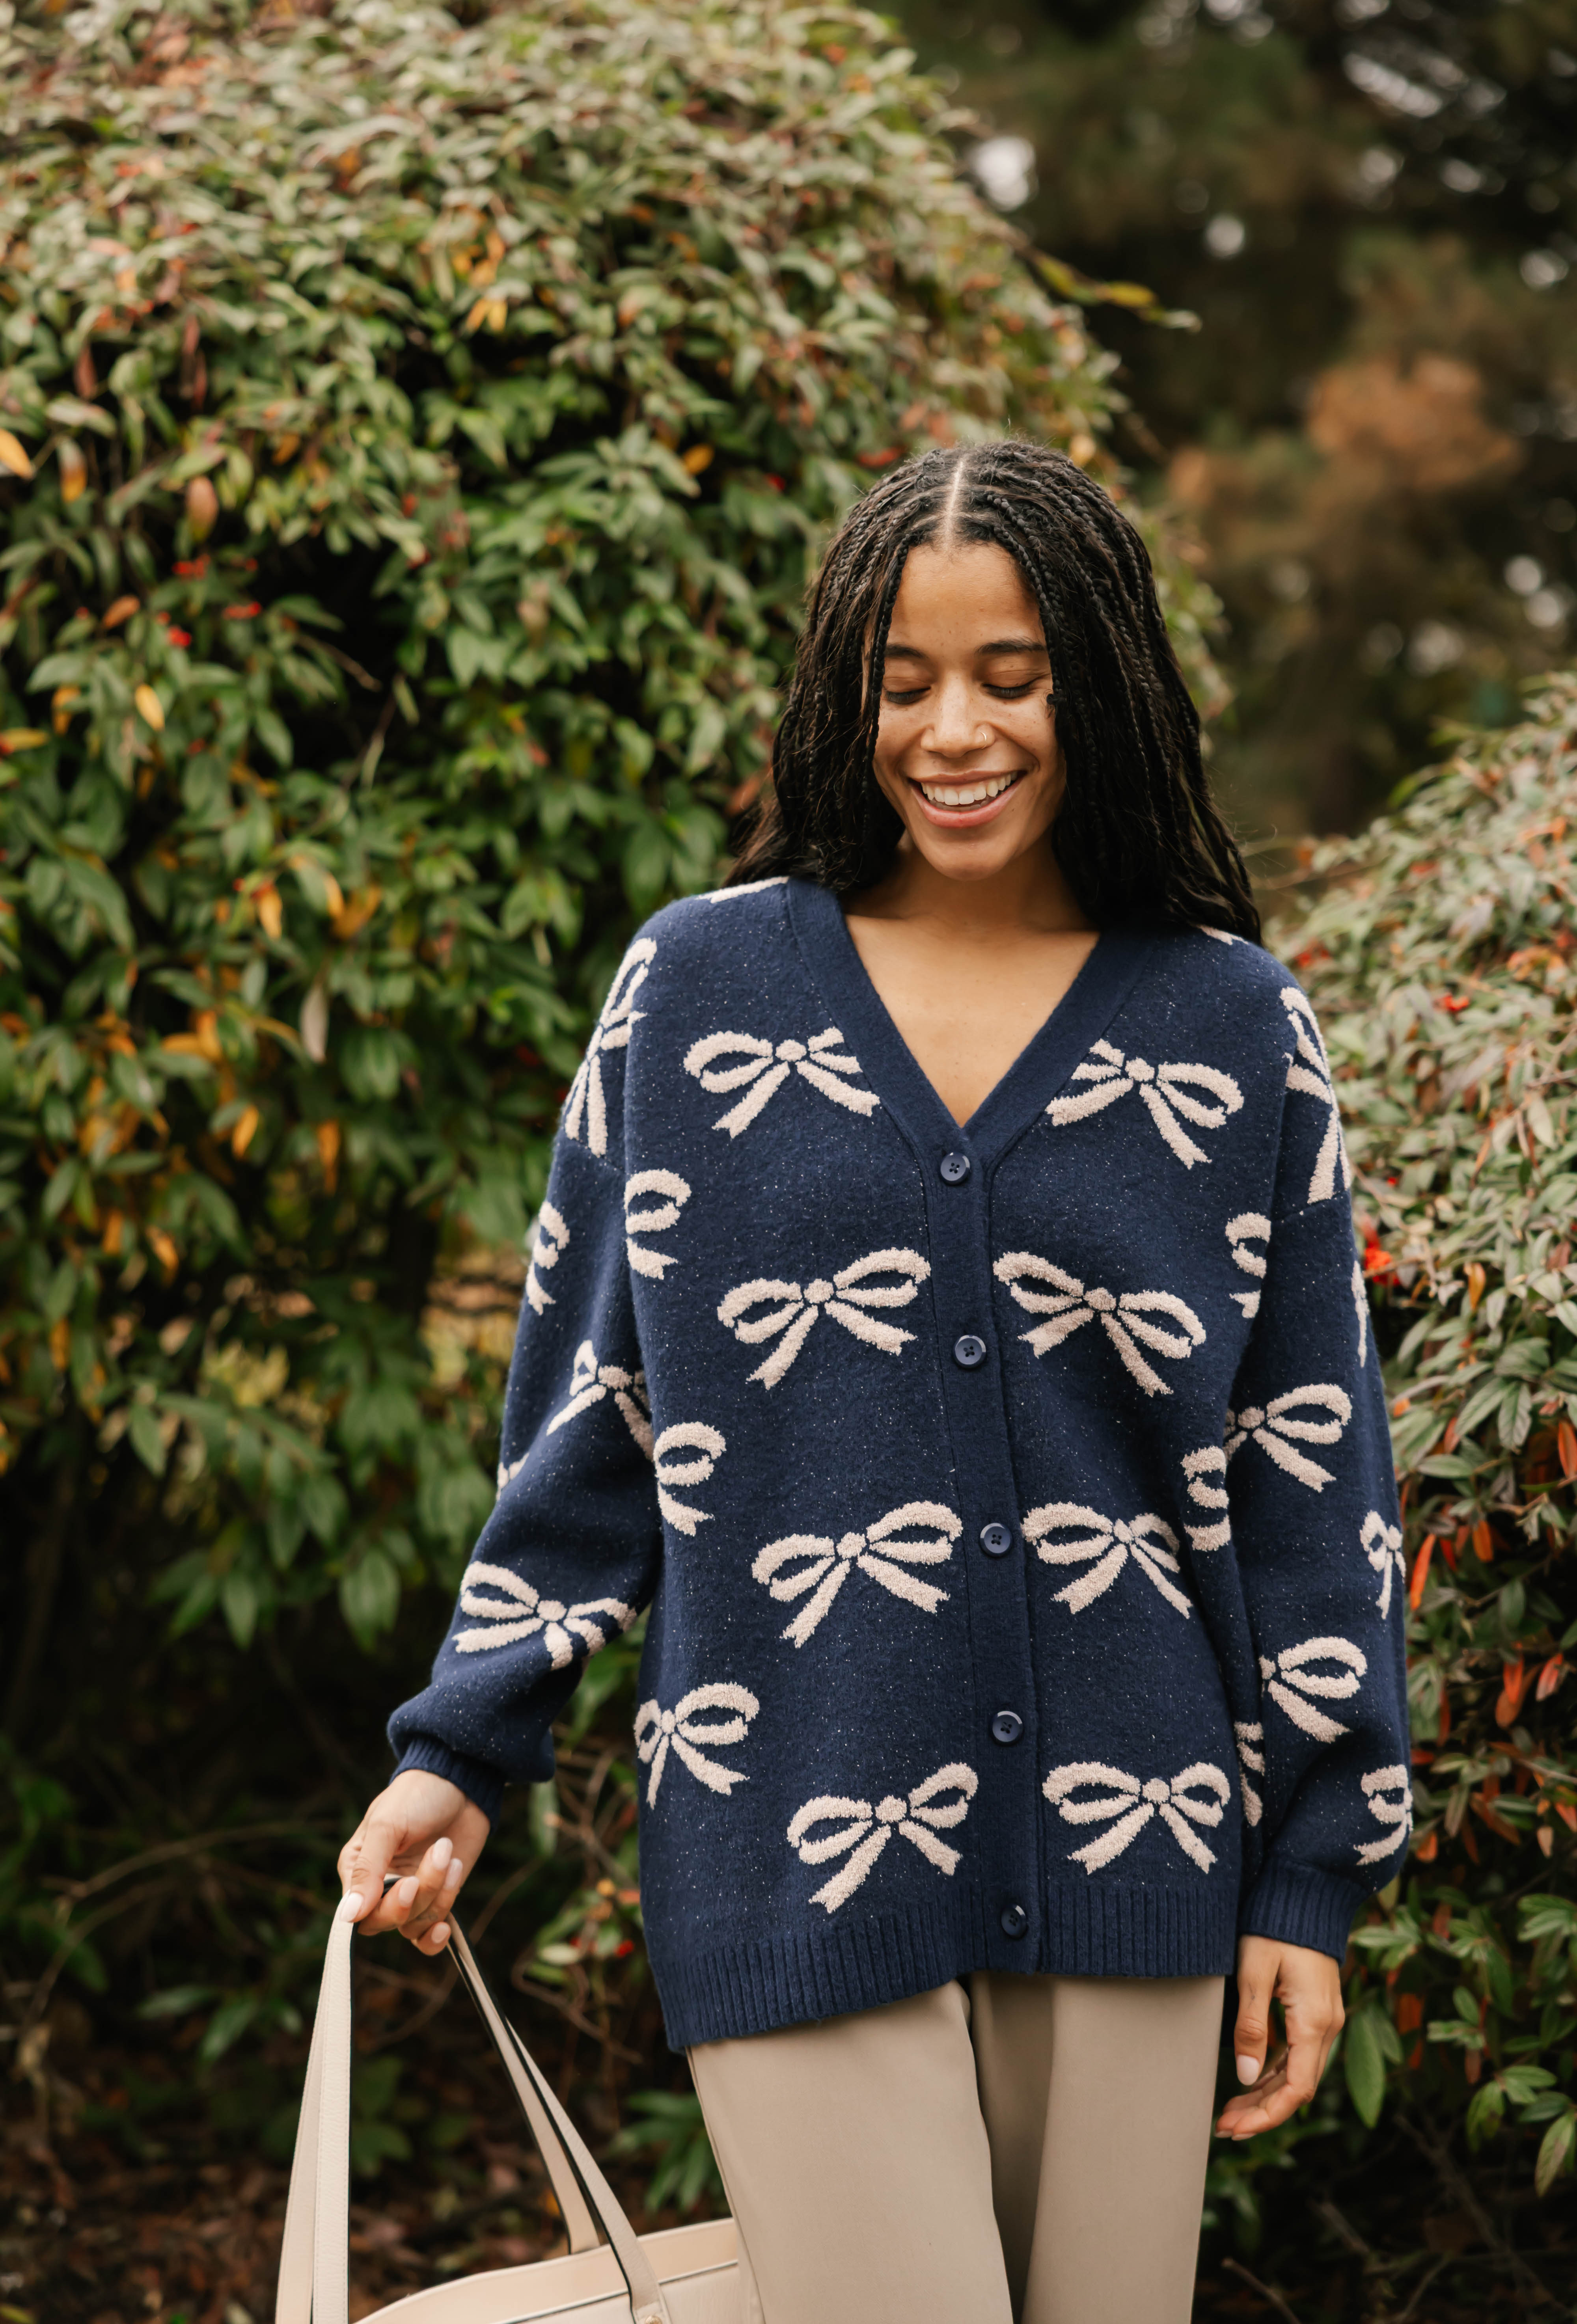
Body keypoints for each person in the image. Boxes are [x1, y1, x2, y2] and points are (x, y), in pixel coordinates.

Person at [338, 439, 1410, 2323]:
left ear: (1103, 676)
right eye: (901, 680)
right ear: (845, 695)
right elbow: (594, 1417)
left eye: (1011, 673)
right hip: (795, 1832)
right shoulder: (697, 994)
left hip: (1143, 1853)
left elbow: (1307, 1471)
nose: (953, 730)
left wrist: (1309, 1876)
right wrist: (465, 1745)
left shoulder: (1235, 1028)